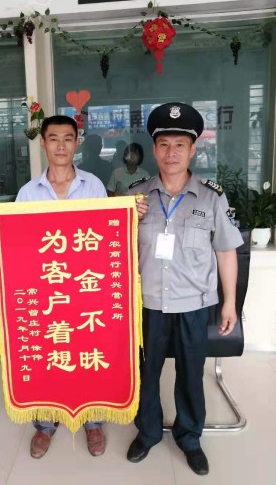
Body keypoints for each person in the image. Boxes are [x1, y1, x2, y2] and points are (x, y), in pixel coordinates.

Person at [0, 115, 107, 459]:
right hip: (48, 288)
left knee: (88, 352)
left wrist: (131, 213)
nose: (61, 145)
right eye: (54, 138)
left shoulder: (94, 186)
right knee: (50, 354)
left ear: (77, 142)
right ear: (44, 143)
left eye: (68, 138)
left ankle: (93, 420)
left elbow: (105, 232)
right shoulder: (28, 192)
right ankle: (46, 423)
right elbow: (19, 243)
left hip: (85, 288)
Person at [127, 103, 243, 476]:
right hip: (148, 303)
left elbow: (226, 251)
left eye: (180, 145)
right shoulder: (136, 197)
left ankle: (190, 438)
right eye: (164, 144)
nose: (171, 152)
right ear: (154, 149)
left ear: (193, 150)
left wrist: (230, 303)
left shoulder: (212, 197)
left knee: (191, 375)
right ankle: (147, 432)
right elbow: (113, 248)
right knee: (146, 372)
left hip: (194, 303)